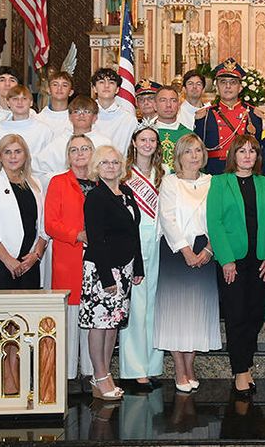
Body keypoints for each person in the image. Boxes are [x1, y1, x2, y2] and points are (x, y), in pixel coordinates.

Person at [0, 134, 48, 395]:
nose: (13, 156)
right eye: (8, 152)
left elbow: (44, 226)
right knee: (0, 320)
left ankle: (17, 367)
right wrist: (8, 260)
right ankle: (7, 372)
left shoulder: (35, 183)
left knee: (22, 321)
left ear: (25, 155)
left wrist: (35, 254)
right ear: (0, 157)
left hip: (29, 263)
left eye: (18, 151)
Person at [207, 135, 265, 397]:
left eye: (252, 151)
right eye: (242, 151)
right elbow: (215, 223)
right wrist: (226, 259)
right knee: (236, 316)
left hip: (260, 260)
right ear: (233, 155)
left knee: (255, 316)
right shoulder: (219, 183)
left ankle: (246, 363)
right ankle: (240, 370)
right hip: (232, 261)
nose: (247, 156)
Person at [154, 134, 221, 393]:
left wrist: (208, 248)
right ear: (179, 155)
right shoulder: (170, 182)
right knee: (174, 312)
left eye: (198, 150)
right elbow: (167, 218)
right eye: (188, 151)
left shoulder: (212, 182)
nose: (194, 155)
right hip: (176, 251)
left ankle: (190, 366)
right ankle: (179, 369)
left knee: (196, 313)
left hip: (205, 250)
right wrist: (186, 251)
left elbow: (218, 217)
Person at [81, 145, 145, 402]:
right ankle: (98, 376)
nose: (110, 166)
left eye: (114, 162)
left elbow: (134, 232)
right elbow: (95, 239)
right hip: (102, 269)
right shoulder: (96, 197)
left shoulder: (126, 193)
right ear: (97, 167)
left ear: (122, 166)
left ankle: (105, 373)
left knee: (112, 324)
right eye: (105, 163)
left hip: (125, 267)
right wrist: (107, 278)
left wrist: (137, 266)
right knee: (99, 325)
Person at [44, 134, 97, 393]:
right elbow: (50, 224)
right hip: (69, 257)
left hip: (98, 261)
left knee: (93, 316)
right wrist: (77, 235)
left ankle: (91, 373)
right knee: (70, 318)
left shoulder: (103, 181)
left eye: (85, 148)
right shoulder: (58, 182)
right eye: (74, 150)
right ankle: (66, 377)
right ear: (68, 155)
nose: (79, 154)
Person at [118, 122, 165, 389]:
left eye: (152, 141)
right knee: (135, 306)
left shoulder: (164, 173)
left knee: (153, 306)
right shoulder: (124, 175)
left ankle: (152, 365)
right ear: (134, 142)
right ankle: (134, 369)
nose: (148, 145)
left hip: (157, 243)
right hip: (132, 245)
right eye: (143, 140)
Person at [195, 58, 263, 174]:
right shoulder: (205, 116)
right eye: (223, 82)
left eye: (233, 82)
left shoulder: (253, 114)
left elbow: (257, 150)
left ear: (240, 88)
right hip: (214, 171)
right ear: (217, 87)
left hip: (243, 171)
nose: (227, 86)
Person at [0, 85, 52, 180]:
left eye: (24, 99)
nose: (19, 102)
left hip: (35, 181)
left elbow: (48, 162)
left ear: (31, 102)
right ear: (8, 102)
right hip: (3, 181)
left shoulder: (44, 130)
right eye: (15, 99)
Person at [37, 96, 113, 176]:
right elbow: (39, 170)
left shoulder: (104, 143)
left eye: (87, 111)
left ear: (94, 117)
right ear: (70, 117)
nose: (81, 115)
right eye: (77, 111)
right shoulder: (58, 143)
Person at [91, 67, 139, 154]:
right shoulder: (85, 116)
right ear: (94, 88)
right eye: (101, 82)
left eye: (111, 83)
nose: (106, 86)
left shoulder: (128, 119)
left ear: (117, 89)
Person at [151, 83, 194, 173]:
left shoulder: (189, 135)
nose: (168, 105)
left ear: (178, 105)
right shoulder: (146, 133)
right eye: (163, 100)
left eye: (173, 100)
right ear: (155, 105)